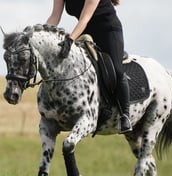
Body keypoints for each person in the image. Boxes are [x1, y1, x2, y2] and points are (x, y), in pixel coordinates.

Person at [46, 0, 132, 133]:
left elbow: (84, 18)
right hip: (86, 31)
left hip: (108, 29)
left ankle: (125, 115)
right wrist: (43, 33)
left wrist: (70, 40)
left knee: (117, 70)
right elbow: (54, 16)